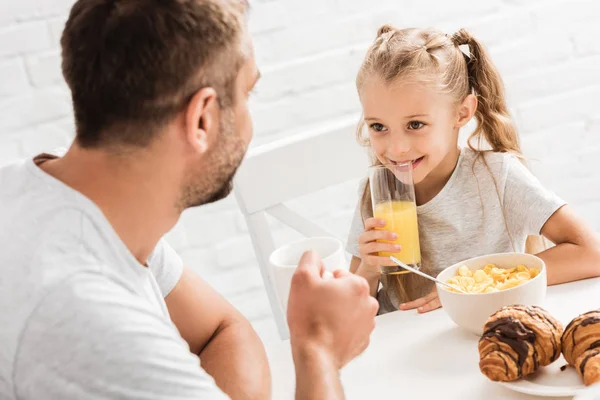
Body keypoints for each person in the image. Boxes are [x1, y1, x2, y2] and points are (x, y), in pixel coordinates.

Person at [0, 1, 378, 399]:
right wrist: (318, 349)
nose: (250, 119)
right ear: (202, 119)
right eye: (248, 92)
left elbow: (222, 329)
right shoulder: (86, 319)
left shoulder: (73, 202)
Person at [347, 25, 600, 314]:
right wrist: (368, 270)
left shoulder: (496, 176)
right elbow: (351, 315)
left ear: (462, 113)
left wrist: (471, 288)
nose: (396, 149)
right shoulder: (376, 192)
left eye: (415, 125)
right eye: (379, 127)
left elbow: (591, 252)